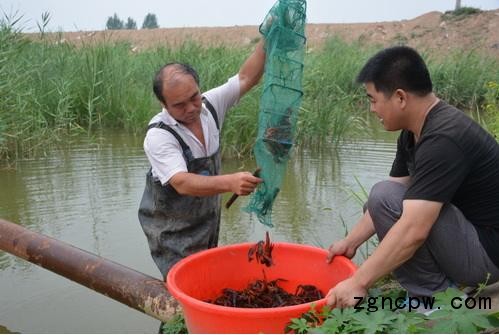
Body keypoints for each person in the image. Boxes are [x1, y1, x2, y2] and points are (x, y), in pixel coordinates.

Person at [325, 46, 499, 308]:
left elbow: (413, 230)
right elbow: (383, 203)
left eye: (373, 99)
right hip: (466, 237)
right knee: (378, 200)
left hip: (487, 255)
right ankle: (431, 288)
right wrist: (350, 242)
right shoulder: (413, 132)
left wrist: (358, 282)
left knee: (387, 200)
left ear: (400, 98)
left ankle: (434, 298)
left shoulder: (444, 138)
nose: (371, 109)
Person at [138, 41, 265, 279]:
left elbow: (247, 77)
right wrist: (230, 182)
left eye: (194, 97)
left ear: (198, 88)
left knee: (208, 282)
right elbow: (182, 182)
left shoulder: (209, 106)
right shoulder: (159, 135)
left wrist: (268, 38)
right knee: (183, 294)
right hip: (172, 235)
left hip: (207, 223)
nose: (191, 108)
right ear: (164, 105)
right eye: (179, 105)